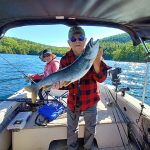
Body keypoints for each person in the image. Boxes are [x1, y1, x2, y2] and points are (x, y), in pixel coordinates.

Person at [53, 26, 109, 150]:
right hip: (72, 102)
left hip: (91, 100)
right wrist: (59, 85)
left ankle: (88, 147)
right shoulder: (65, 59)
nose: (77, 41)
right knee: (71, 128)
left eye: (81, 38)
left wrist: (97, 62)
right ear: (69, 43)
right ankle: (72, 148)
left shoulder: (96, 56)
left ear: (85, 40)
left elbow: (102, 78)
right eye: (73, 39)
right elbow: (65, 84)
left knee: (91, 127)